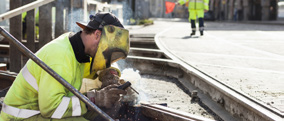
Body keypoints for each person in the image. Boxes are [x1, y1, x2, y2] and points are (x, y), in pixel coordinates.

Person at [0, 12, 130, 120]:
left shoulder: (78, 49)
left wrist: (111, 73)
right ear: (97, 35)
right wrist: (96, 99)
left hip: (38, 110)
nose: (107, 59)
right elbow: (50, 108)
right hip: (21, 116)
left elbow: (97, 66)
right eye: (108, 52)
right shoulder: (60, 57)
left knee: (102, 112)